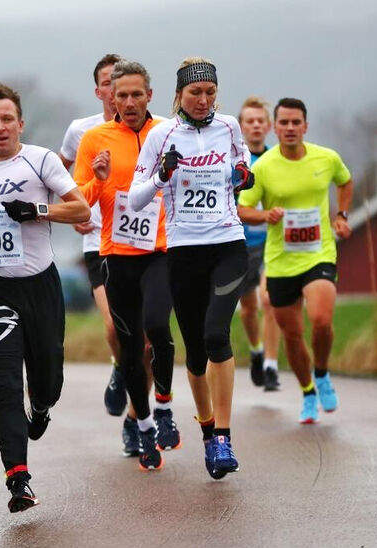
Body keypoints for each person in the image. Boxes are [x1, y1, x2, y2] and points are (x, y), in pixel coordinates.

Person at [0, 84, 90, 512]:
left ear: (20, 123)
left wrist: (37, 210)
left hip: (41, 286)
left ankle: (42, 408)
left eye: (7, 119)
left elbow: (81, 210)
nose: (0, 127)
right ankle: (18, 479)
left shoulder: (41, 160)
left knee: (46, 383)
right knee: (5, 383)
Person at [129, 57, 253, 479]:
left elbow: (243, 166)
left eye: (210, 93)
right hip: (184, 252)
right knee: (196, 353)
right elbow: (136, 199)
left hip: (228, 245)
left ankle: (223, 436)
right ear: (179, 95)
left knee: (218, 334)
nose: (203, 101)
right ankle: (206, 431)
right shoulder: (161, 135)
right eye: (195, 93)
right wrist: (162, 176)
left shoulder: (230, 127)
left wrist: (242, 175)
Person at [73, 59, 180, 470]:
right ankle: (146, 424)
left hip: (162, 250)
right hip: (116, 254)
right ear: (110, 98)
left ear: (150, 96)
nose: (131, 102)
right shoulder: (94, 139)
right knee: (130, 346)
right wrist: (97, 178)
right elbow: (77, 198)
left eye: (138, 94)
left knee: (156, 325)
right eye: (123, 95)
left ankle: (166, 404)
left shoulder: (169, 132)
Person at [237, 97, 354, 424]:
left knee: (320, 318)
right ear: (275, 128)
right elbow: (242, 207)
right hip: (281, 261)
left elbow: (345, 182)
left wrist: (341, 215)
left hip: (318, 253)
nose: (289, 128)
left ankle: (322, 373)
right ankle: (307, 391)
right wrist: (264, 215)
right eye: (283, 123)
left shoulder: (327, 158)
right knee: (291, 335)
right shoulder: (263, 167)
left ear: (305, 126)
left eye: (295, 123)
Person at [58, 53, 129, 417]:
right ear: (99, 90)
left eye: (120, 81)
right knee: (115, 327)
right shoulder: (80, 130)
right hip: (97, 241)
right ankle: (121, 366)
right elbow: (56, 172)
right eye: (107, 82)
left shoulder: (149, 129)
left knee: (146, 339)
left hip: (141, 242)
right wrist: (73, 210)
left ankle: (140, 420)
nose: (114, 88)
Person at [236, 96, 281, 391]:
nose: (255, 126)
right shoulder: (233, 160)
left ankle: (271, 367)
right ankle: (256, 350)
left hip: (270, 242)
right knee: (249, 308)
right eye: (249, 121)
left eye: (259, 121)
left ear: (268, 127)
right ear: (240, 127)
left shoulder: (277, 161)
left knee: (269, 300)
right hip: (239, 243)